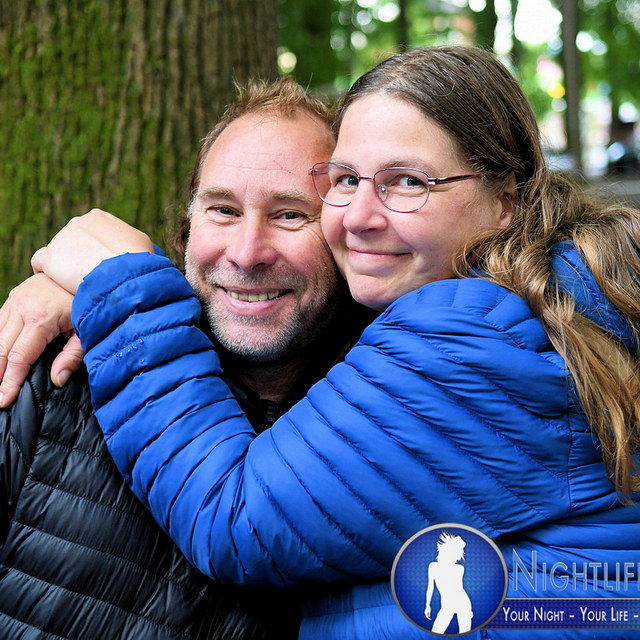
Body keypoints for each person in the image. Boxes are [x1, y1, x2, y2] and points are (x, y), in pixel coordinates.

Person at [23, 45, 640, 639]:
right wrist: (82, 292)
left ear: (505, 200)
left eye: (408, 181)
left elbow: (235, 517)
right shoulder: (538, 310)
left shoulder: (473, 339)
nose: (360, 216)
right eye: (346, 179)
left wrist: (120, 290)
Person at [0, 77, 367, 639]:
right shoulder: (54, 376)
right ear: (187, 226)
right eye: (222, 209)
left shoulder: (376, 442)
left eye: (291, 215)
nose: (246, 252)